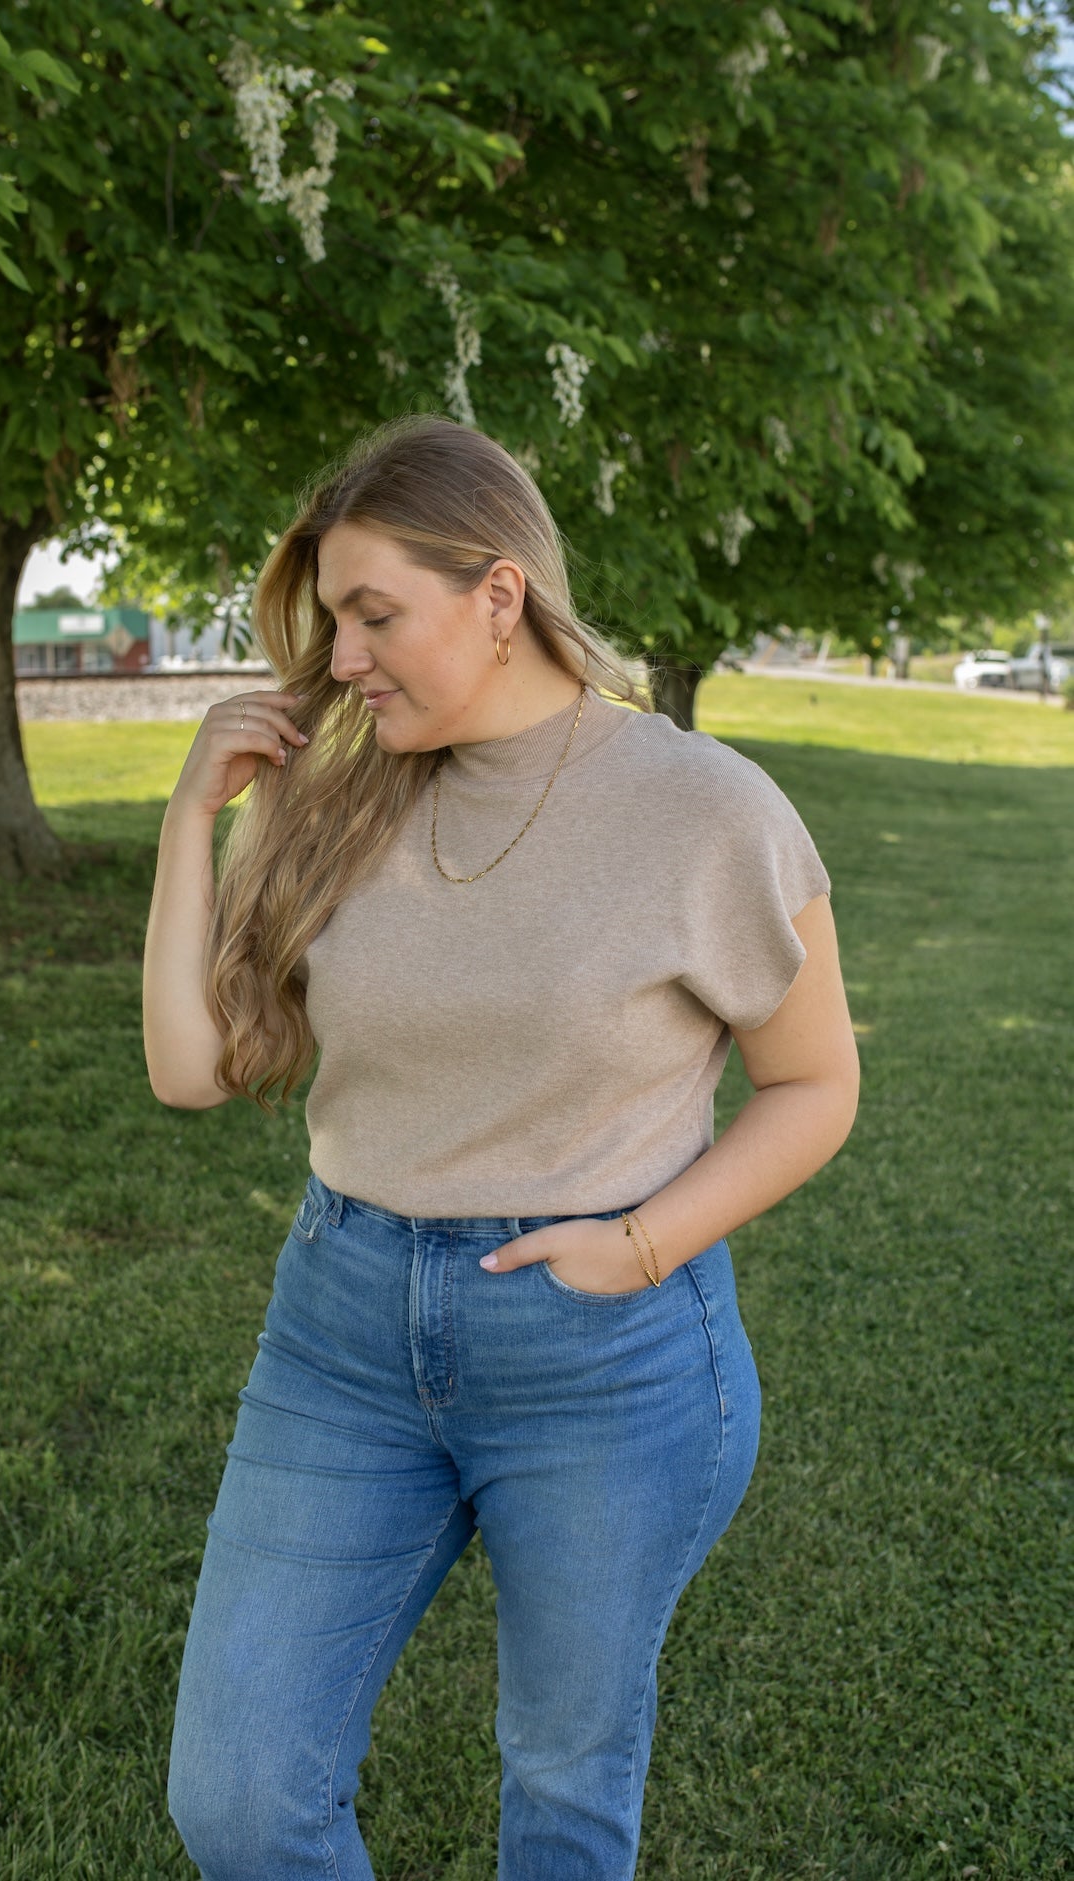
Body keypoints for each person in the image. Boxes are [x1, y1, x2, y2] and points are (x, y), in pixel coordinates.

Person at [143, 413, 860, 1881]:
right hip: (339, 1332)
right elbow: (192, 1069)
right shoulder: (340, 793)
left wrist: (641, 1246)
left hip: (600, 1351)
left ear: (496, 593)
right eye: (334, 618)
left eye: (371, 614)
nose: (341, 656)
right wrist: (186, 825)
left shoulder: (704, 808)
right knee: (232, 1792)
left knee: (559, 1785)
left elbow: (812, 1085)